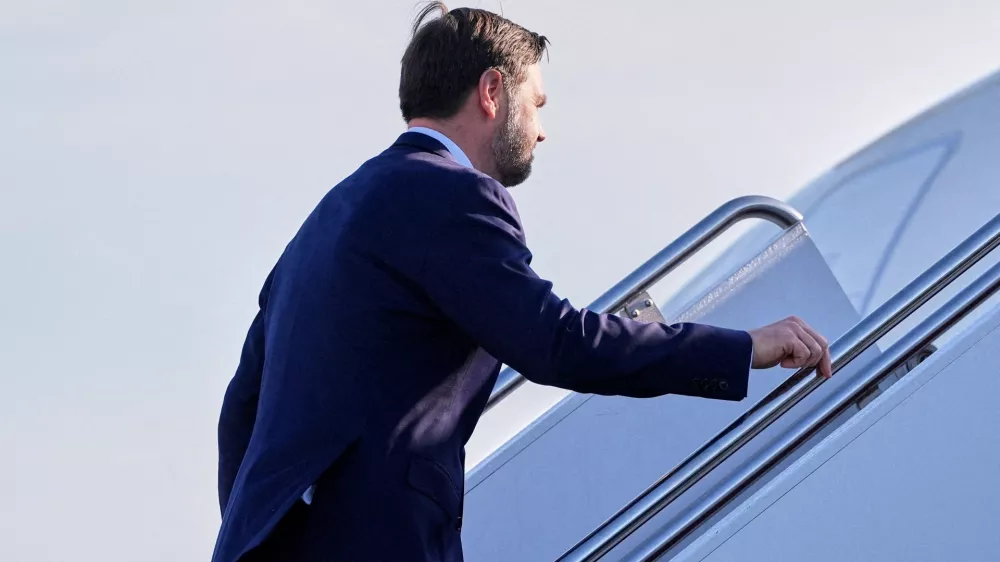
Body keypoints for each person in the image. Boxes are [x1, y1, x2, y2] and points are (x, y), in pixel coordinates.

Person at [212, 3, 833, 561]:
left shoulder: (328, 216)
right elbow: (557, 341)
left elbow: (242, 405)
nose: (540, 131)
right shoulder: (453, 195)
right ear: (492, 92)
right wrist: (742, 348)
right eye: (534, 104)